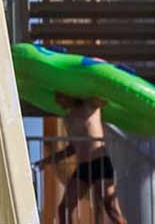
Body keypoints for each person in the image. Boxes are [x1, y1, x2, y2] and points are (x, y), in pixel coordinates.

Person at [50, 94, 129, 224]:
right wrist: (46, 161)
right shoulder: (67, 120)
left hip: (99, 162)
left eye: (59, 96)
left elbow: (105, 97)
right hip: (83, 167)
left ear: (69, 95)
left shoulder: (90, 105)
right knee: (64, 209)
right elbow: (72, 148)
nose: (57, 101)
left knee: (111, 207)